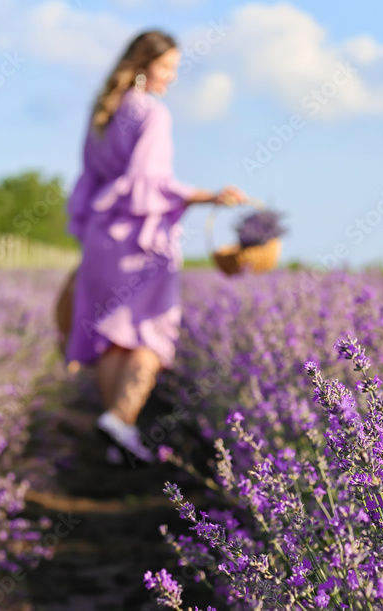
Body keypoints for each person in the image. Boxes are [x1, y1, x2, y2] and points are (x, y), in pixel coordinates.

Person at [63, 30, 248, 463]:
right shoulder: (151, 114)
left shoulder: (103, 114)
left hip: (101, 239)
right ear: (144, 65)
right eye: (167, 68)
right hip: (140, 243)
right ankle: (121, 421)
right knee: (150, 335)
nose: (172, 77)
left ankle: (117, 443)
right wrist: (208, 195)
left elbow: (91, 180)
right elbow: (148, 184)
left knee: (114, 337)